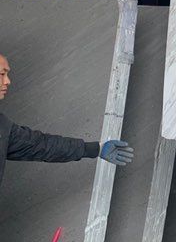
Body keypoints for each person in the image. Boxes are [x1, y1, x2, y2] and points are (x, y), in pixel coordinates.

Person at [0, 53, 133, 186]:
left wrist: (96, 149)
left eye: (7, 74)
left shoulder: (3, 127)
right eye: (2, 74)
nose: (7, 81)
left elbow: (41, 145)